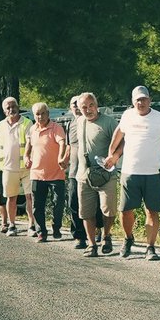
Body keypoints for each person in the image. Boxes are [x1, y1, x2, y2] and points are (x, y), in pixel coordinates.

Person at [103, 86, 160, 260]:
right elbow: (119, 132)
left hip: (153, 173)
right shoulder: (127, 115)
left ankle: (150, 247)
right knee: (125, 210)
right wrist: (111, 153)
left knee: (152, 211)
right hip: (130, 171)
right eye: (138, 100)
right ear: (133, 102)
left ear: (150, 100)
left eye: (144, 99)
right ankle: (128, 238)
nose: (141, 102)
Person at [73, 92, 118, 257]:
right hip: (84, 174)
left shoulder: (109, 122)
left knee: (109, 210)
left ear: (97, 105)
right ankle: (91, 244)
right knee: (86, 212)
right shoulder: (79, 122)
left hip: (106, 174)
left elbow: (122, 142)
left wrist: (114, 157)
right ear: (79, 109)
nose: (88, 109)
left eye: (91, 105)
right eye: (84, 107)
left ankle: (106, 235)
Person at [27, 102, 68, 242]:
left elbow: (62, 143)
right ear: (34, 116)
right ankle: (41, 232)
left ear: (48, 114)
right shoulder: (32, 129)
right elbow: (29, 145)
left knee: (58, 203)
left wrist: (61, 157)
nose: (40, 116)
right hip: (37, 173)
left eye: (43, 113)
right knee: (37, 205)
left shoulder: (56, 128)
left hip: (56, 173)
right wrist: (26, 157)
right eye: (37, 114)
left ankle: (56, 227)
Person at [66, 95, 101, 248]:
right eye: (73, 104)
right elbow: (69, 146)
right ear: (71, 107)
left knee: (96, 204)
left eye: (78, 103)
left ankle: (98, 230)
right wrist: (63, 158)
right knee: (74, 203)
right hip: (74, 171)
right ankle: (79, 236)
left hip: (93, 171)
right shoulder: (71, 124)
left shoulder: (93, 122)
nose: (76, 106)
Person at [0, 97, 32, 236]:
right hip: (8, 167)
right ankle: (12, 225)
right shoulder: (1, 125)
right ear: (4, 111)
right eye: (8, 107)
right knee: (11, 197)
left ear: (18, 107)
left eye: (14, 106)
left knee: (30, 197)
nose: (11, 109)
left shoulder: (27, 122)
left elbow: (30, 141)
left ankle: (32, 225)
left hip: (26, 167)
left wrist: (28, 157)